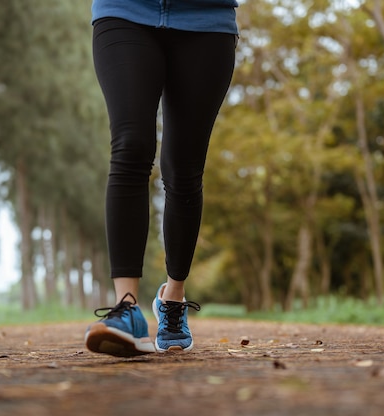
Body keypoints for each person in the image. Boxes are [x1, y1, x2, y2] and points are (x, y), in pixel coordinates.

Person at [84, 0, 238, 357]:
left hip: (207, 19)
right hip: (124, 12)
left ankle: (173, 298)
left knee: (184, 169)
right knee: (131, 146)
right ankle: (127, 309)